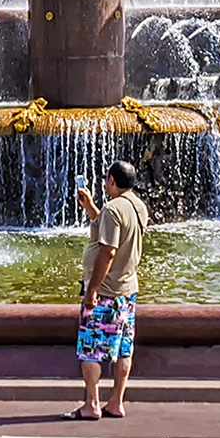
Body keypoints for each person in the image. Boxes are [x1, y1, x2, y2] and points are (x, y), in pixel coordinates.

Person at [71, 160, 150, 420]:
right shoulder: (137, 206)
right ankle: (117, 402)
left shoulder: (114, 209)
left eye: (107, 179)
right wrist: (91, 208)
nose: (105, 184)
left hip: (106, 292)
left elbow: (108, 251)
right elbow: (112, 232)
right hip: (128, 290)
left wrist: (92, 289)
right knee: (124, 348)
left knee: (90, 349)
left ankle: (92, 404)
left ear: (112, 181)